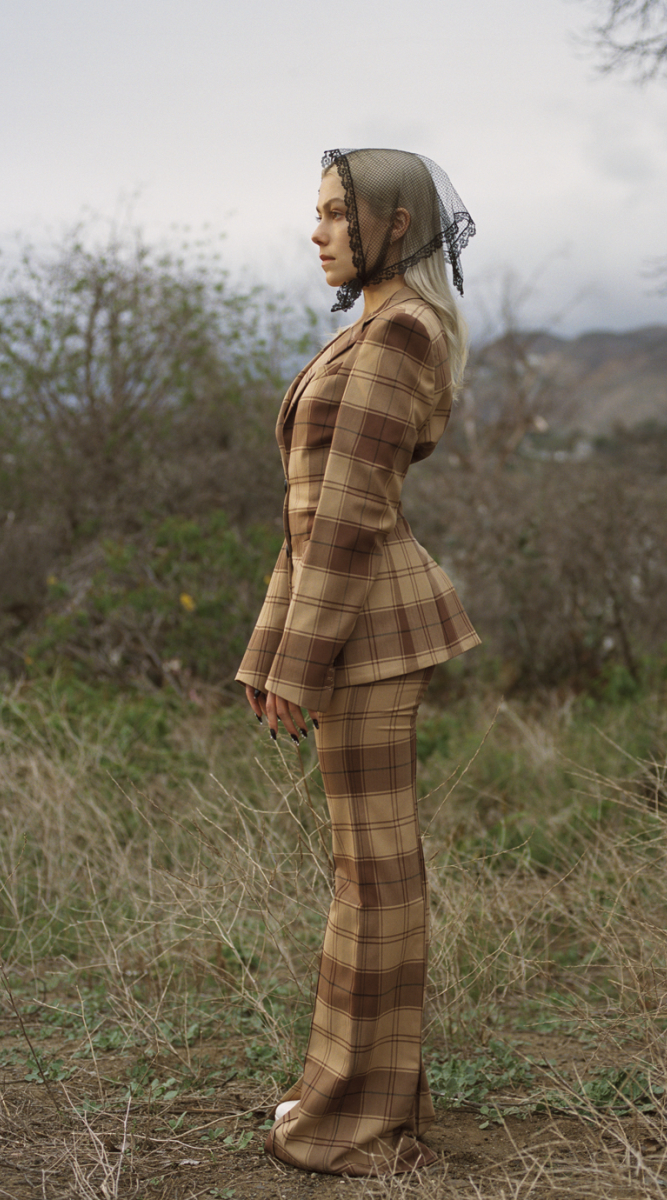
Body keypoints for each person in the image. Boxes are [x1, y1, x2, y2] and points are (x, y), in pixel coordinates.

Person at [236, 147, 480, 1177]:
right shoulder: (373, 330)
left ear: (389, 225)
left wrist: (300, 660)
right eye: (317, 212)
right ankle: (357, 1102)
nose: (316, 230)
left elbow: (346, 522)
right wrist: (270, 654)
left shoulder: (398, 335)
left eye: (336, 213)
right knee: (366, 879)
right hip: (355, 627)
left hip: (369, 635)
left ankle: (354, 1122)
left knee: (373, 886)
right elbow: (306, 523)